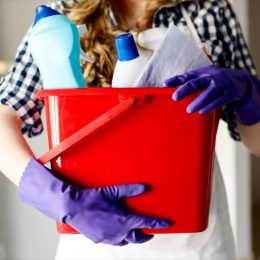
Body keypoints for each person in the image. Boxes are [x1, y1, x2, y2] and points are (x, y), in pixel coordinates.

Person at [0, 0, 260, 259]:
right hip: (93, 238)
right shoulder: (62, 14)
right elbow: (3, 116)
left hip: (196, 244)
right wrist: (55, 197)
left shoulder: (208, 9)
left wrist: (247, 91)